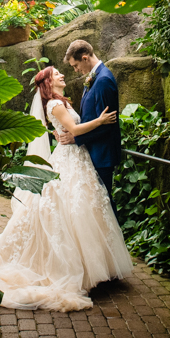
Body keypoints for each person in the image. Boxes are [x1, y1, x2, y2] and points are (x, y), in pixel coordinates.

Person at [0, 66, 133, 311]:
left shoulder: (62, 101)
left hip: (76, 157)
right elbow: (76, 129)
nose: (61, 75)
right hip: (69, 159)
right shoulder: (54, 105)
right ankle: (76, 268)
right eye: (56, 73)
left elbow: (71, 130)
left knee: (82, 208)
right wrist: (100, 121)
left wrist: (70, 132)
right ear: (48, 82)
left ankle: (95, 267)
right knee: (70, 210)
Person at [55, 40, 121, 220]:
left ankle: (115, 246)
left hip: (103, 154)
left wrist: (76, 138)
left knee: (104, 203)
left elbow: (107, 125)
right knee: (98, 205)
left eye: (75, 65)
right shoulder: (94, 78)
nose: (75, 70)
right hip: (94, 151)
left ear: (84, 58)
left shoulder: (103, 80)